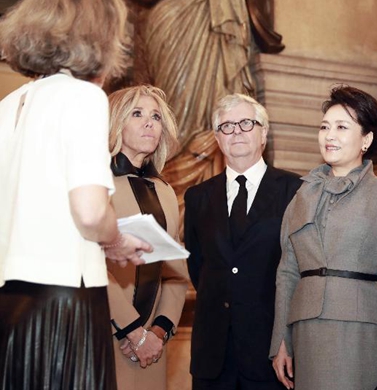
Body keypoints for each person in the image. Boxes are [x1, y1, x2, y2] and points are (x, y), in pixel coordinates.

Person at [0, 0, 152, 389]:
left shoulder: (8, 105)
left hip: (11, 296)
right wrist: (116, 240)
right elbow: (88, 211)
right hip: (64, 297)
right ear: (99, 35)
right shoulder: (82, 97)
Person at [270, 86, 377, 390]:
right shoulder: (301, 196)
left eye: (342, 127)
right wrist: (280, 340)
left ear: (366, 139)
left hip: (363, 331)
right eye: (325, 127)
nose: (330, 135)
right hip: (307, 332)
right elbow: (287, 272)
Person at [185, 93, 302, 389]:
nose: (236, 130)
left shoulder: (296, 191)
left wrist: (285, 338)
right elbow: (198, 268)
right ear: (217, 138)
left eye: (246, 123)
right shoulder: (197, 198)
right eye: (226, 126)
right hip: (213, 356)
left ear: (264, 133)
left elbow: (301, 271)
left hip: (271, 354)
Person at [107, 85, 190, 389]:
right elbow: (89, 264)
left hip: (152, 348)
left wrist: (158, 331)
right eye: (137, 114)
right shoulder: (97, 185)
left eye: (156, 116)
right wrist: (133, 331)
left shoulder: (167, 192)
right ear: (115, 122)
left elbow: (175, 271)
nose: (150, 123)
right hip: (107, 333)